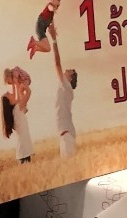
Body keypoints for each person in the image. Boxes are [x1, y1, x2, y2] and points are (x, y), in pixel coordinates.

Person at [48, 23, 77, 158]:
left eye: (68, 71)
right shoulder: (66, 88)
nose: (66, 70)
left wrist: (54, 40)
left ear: (70, 78)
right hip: (65, 135)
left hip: (66, 135)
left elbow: (57, 63)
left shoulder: (66, 86)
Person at [1, 82, 33, 164]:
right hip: (24, 152)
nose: (10, 93)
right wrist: (24, 83)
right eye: (8, 94)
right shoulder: (17, 109)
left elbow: (24, 107)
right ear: (9, 102)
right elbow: (29, 92)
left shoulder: (16, 110)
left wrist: (19, 90)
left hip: (23, 151)